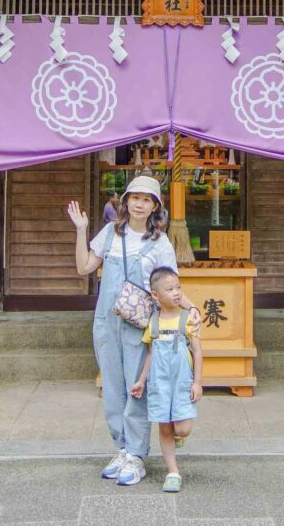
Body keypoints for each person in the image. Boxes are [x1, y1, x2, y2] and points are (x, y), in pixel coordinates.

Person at [68, 175, 175, 487]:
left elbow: (169, 286)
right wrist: (80, 230)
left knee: (136, 388)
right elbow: (84, 267)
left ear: (155, 205)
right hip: (106, 320)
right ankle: (123, 448)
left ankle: (138, 455)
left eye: (147, 199)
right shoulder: (111, 233)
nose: (140, 204)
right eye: (135, 198)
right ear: (126, 201)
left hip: (139, 325)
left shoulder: (160, 243)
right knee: (112, 388)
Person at [131, 267, 203, 493]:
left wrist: (198, 382)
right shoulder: (153, 323)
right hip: (159, 383)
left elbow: (198, 352)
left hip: (182, 383)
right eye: (170, 289)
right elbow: (151, 354)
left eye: (178, 288)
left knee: (182, 428)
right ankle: (173, 472)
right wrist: (142, 380)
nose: (176, 293)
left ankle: (178, 437)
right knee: (164, 426)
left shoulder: (187, 319)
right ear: (155, 295)